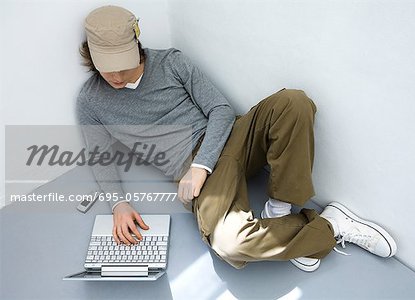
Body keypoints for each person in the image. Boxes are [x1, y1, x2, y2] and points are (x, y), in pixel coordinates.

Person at [77, 5, 397, 272]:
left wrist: (201, 165)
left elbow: (220, 109)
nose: (116, 77)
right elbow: (99, 155)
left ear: (136, 45)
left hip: (231, 138)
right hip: (196, 170)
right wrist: (118, 204)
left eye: (123, 65)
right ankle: (331, 226)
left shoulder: (172, 62)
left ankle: (279, 209)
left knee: (294, 102)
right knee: (230, 245)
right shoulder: (90, 101)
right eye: (107, 69)